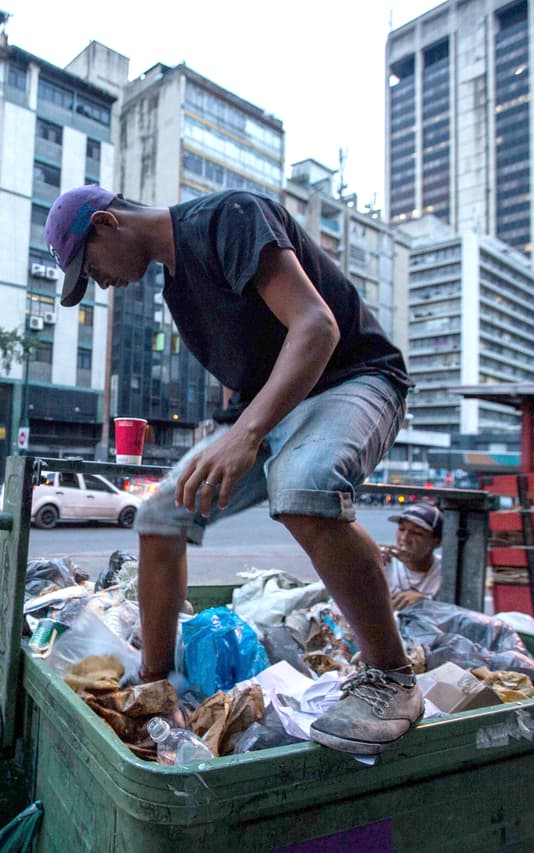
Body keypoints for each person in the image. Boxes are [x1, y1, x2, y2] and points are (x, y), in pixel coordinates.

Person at [45, 185, 417, 756]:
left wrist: (246, 436)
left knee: (302, 487)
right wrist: (226, 437)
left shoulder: (229, 217)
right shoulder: (178, 291)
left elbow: (316, 326)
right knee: (160, 516)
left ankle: (391, 677)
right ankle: (156, 683)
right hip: (272, 406)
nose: (101, 282)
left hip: (351, 379)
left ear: (107, 223)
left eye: (91, 268)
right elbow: (241, 374)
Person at [379, 504, 443, 610]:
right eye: (401, 529)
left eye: (417, 533)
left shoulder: (446, 573)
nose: (404, 538)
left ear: (437, 542)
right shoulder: (384, 563)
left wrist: (425, 603)